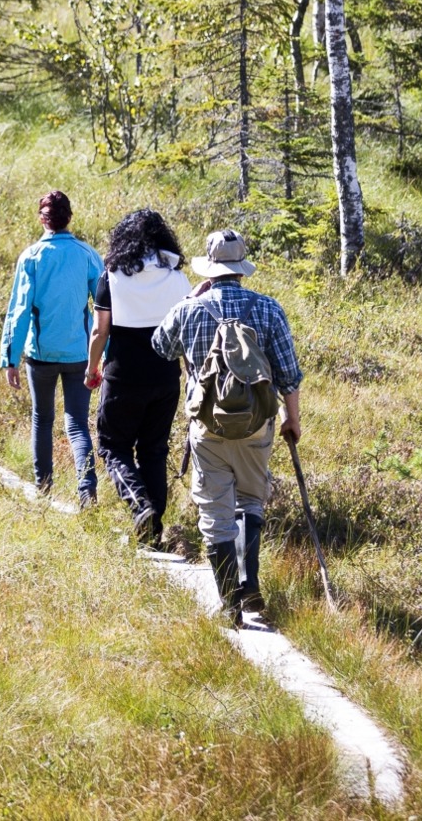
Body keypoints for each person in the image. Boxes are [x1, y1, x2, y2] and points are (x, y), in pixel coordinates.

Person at [152, 228, 302, 622]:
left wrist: (189, 301)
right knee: (250, 501)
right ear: (240, 268)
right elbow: (289, 373)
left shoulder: (190, 308)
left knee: (215, 514)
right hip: (257, 427)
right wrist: (292, 419)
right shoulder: (267, 309)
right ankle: (249, 585)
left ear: (210, 268)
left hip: (207, 426)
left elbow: (160, 346)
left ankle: (229, 603)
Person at [84, 209, 192, 548]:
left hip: (124, 374)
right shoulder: (177, 278)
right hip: (166, 375)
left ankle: (140, 505)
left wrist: (92, 369)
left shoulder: (112, 277)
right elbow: (188, 330)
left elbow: (100, 332)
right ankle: (152, 529)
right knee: (153, 450)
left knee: (113, 446)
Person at [0, 190, 105, 502]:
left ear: (43, 220)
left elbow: (19, 311)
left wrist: (10, 358)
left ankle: (42, 489)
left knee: (42, 419)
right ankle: (87, 491)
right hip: (80, 355)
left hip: (41, 356)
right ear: (69, 217)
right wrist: (103, 357)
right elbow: (104, 309)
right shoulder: (87, 255)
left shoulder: (31, 257)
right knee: (77, 425)